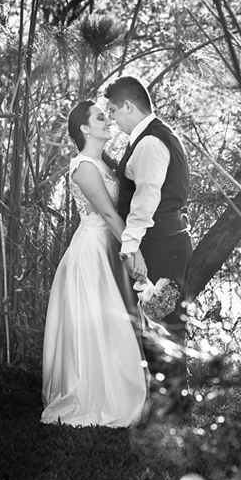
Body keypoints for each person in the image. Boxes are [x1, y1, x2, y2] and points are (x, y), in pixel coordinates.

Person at [40, 100, 147, 427]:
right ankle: (95, 395)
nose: (107, 120)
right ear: (85, 129)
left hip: (107, 247)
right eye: (100, 117)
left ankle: (117, 388)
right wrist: (133, 251)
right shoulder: (83, 165)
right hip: (92, 251)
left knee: (110, 321)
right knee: (97, 323)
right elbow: (109, 214)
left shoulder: (105, 164)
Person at [104, 76, 192, 406]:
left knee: (164, 325)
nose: (112, 117)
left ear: (128, 105)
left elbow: (146, 198)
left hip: (159, 242)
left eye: (113, 110)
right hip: (167, 238)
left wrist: (129, 246)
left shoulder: (151, 143)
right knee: (164, 324)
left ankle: (172, 411)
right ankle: (171, 406)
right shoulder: (155, 136)